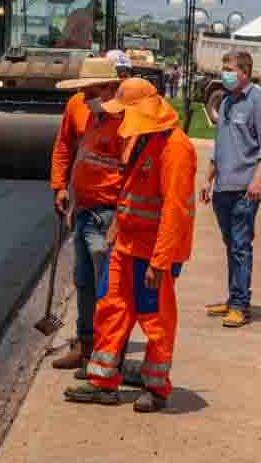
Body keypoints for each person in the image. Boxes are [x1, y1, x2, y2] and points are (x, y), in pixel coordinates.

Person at [65, 78, 197, 412]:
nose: (120, 119)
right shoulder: (144, 141)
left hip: (153, 252)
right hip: (125, 244)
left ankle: (156, 387)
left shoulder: (176, 148)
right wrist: (114, 236)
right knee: (111, 308)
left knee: (155, 318)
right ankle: (103, 382)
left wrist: (160, 261)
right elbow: (130, 193)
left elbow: (175, 211)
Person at [49, 56, 125, 375]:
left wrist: (121, 218)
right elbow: (65, 147)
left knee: (107, 287)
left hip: (109, 214)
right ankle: (85, 344)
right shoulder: (79, 108)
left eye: (91, 91)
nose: (85, 97)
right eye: (83, 91)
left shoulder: (125, 118)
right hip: (83, 209)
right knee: (83, 281)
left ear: (110, 88)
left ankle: (107, 353)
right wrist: (60, 187)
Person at [200, 51, 261, 327]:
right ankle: (233, 296)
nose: (223, 73)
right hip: (223, 187)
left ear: (244, 72)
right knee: (231, 246)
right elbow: (219, 144)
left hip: (245, 189)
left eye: (228, 68)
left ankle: (240, 305)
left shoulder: (257, 101)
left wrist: (257, 181)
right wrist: (208, 179)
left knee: (240, 246)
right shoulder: (225, 103)